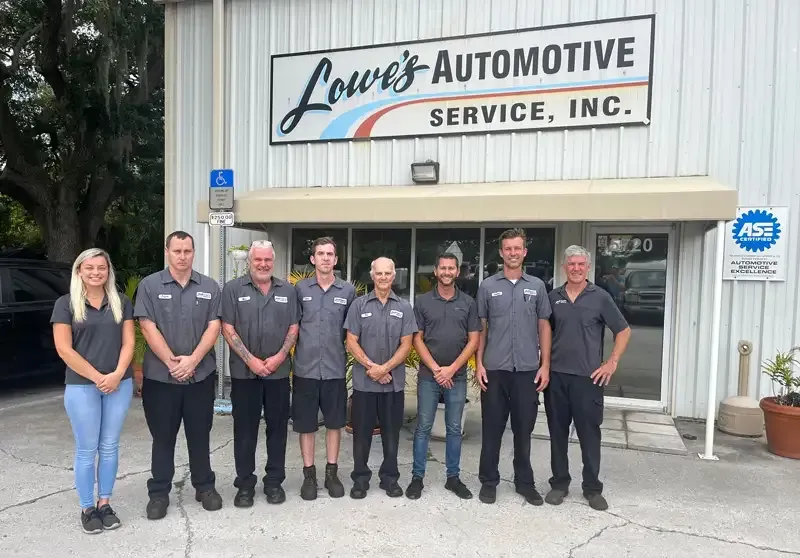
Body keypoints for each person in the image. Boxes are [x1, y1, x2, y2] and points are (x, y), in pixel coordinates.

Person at [134, 231, 223, 520]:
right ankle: (159, 493)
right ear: (167, 251)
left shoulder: (209, 286)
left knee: (200, 434)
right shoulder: (149, 285)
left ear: (193, 252)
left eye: (187, 251)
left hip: (201, 375)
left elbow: (214, 326)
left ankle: (204, 486)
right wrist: (173, 364)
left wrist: (193, 360)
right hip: (162, 378)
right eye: (177, 251)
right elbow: (147, 327)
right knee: (163, 437)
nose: (182, 256)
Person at [52, 248, 135, 534]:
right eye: (90, 268)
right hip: (82, 387)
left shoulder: (120, 302)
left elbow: (128, 344)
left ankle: (105, 503)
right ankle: (87, 508)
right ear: (79, 272)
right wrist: (100, 377)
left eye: (101, 268)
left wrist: (117, 375)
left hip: (118, 385)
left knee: (110, 446)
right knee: (87, 449)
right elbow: (64, 349)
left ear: (108, 271)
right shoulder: (65, 304)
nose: (96, 273)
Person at [544, 245, 631, 511]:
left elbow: (623, 330)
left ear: (588, 267)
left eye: (581, 264)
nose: (576, 268)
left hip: (588, 380)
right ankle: (559, 483)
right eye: (571, 264)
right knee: (557, 434)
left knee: (589, 436)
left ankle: (592, 488)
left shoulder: (600, 297)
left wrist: (611, 362)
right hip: (557, 377)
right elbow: (544, 331)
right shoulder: (552, 297)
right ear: (564, 267)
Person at [475, 228, 552, 506]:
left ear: (524, 252)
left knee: (523, 429)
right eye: (508, 248)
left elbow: (544, 325)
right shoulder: (487, 286)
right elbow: (481, 327)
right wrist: (478, 363)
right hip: (494, 370)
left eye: (517, 248)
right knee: (492, 429)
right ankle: (489, 481)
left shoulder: (538, 286)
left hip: (527, 372)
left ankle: (525, 482)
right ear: (501, 252)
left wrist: (545, 365)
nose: (513, 253)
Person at [220, 240, 299, 507]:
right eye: (258, 260)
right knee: (245, 432)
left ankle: (274, 483)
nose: (263, 264)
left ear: (272, 262)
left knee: (278, 431)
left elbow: (293, 327)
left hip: (277, 375)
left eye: (267, 260)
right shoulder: (232, 290)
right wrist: (251, 360)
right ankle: (245, 486)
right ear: (249, 261)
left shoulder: (287, 290)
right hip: (244, 375)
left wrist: (279, 357)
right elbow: (227, 328)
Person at [406, 252, 480, 500]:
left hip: (456, 376)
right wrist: (438, 370)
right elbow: (417, 338)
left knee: (454, 428)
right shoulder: (423, 301)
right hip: (429, 376)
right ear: (436, 272)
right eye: (443, 268)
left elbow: (474, 340)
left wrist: (451, 369)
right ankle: (417, 478)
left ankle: (453, 478)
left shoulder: (468, 303)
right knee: (423, 427)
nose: (447, 272)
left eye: (452, 268)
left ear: (457, 272)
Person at [344, 257, 417, 499]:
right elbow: (351, 341)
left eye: (388, 273)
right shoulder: (359, 305)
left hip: (393, 384)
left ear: (394, 276)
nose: (383, 277)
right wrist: (372, 367)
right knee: (361, 434)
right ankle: (360, 479)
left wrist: (384, 368)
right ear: (372, 275)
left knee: (391, 434)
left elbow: (407, 345)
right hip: (365, 383)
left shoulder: (404, 307)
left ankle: (390, 479)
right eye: (379, 273)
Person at [292, 237, 356, 500]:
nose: (326, 258)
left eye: (330, 254)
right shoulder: (299, 290)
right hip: (305, 370)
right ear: (313, 259)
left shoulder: (347, 291)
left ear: (336, 260)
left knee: (334, 424)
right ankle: (309, 474)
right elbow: (292, 328)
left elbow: (352, 332)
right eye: (321, 254)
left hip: (334, 370)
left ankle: (332, 473)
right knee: (306, 425)